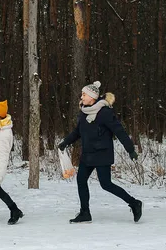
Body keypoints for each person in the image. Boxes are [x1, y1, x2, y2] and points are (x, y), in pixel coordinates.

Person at [58, 81, 143, 224]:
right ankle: (85, 212)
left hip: (102, 153)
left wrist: (130, 150)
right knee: (81, 180)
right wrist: (65, 142)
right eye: (82, 94)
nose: (82, 97)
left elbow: (119, 131)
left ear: (92, 97)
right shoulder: (84, 112)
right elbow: (78, 132)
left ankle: (134, 203)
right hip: (87, 154)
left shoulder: (104, 113)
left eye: (84, 94)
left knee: (106, 184)